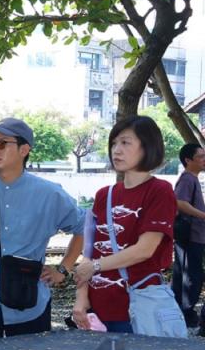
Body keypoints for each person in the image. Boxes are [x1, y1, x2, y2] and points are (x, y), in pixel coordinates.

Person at [0, 118, 84, 342]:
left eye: (2, 144)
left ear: (24, 149)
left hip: (29, 303)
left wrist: (63, 270)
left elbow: (84, 228)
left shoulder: (49, 194)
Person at [72, 116, 177, 333]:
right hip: (97, 309)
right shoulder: (104, 195)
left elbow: (145, 250)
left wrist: (96, 266)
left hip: (136, 307)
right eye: (114, 143)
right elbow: (89, 251)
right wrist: (81, 299)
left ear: (147, 147)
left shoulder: (160, 190)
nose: (116, 150)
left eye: (126, 143)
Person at [170, 142, 205, 332]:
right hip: (189, 235)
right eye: (200, 156)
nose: (204, 160)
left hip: (196, 235)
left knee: (189, 274)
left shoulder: (193, 179)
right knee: (189, 275)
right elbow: (180, 203)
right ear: (188, 160)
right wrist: (202, 215)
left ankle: (185, 313)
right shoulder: (187, 179)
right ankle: (186, 313)